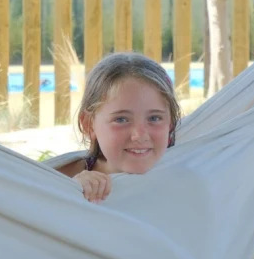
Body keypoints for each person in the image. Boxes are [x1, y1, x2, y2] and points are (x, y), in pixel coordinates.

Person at [56, 52, 182, 204]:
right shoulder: (66, 177)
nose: (140, 135)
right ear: (89, 124)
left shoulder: (185, 177)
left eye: (154, 118)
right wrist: (70, 190)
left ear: (171, 123)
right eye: (121, 119)